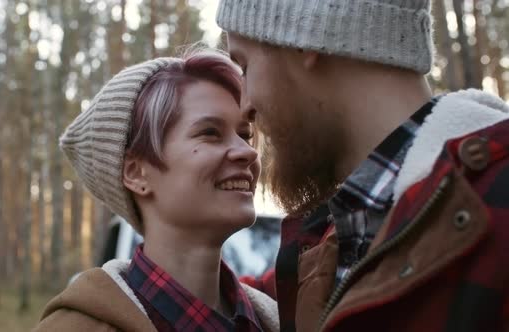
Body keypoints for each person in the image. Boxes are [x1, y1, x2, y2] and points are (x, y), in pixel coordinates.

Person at [215, 0, 509, 331]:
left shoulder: (494, 211)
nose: (245, 107)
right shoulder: (337, 237)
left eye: (245, 65)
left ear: (302, 36)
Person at [33, 49, 279, 332]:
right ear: (137, 174)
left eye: (245, 135)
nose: (246, 152)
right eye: (210, 132)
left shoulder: (282, 320)